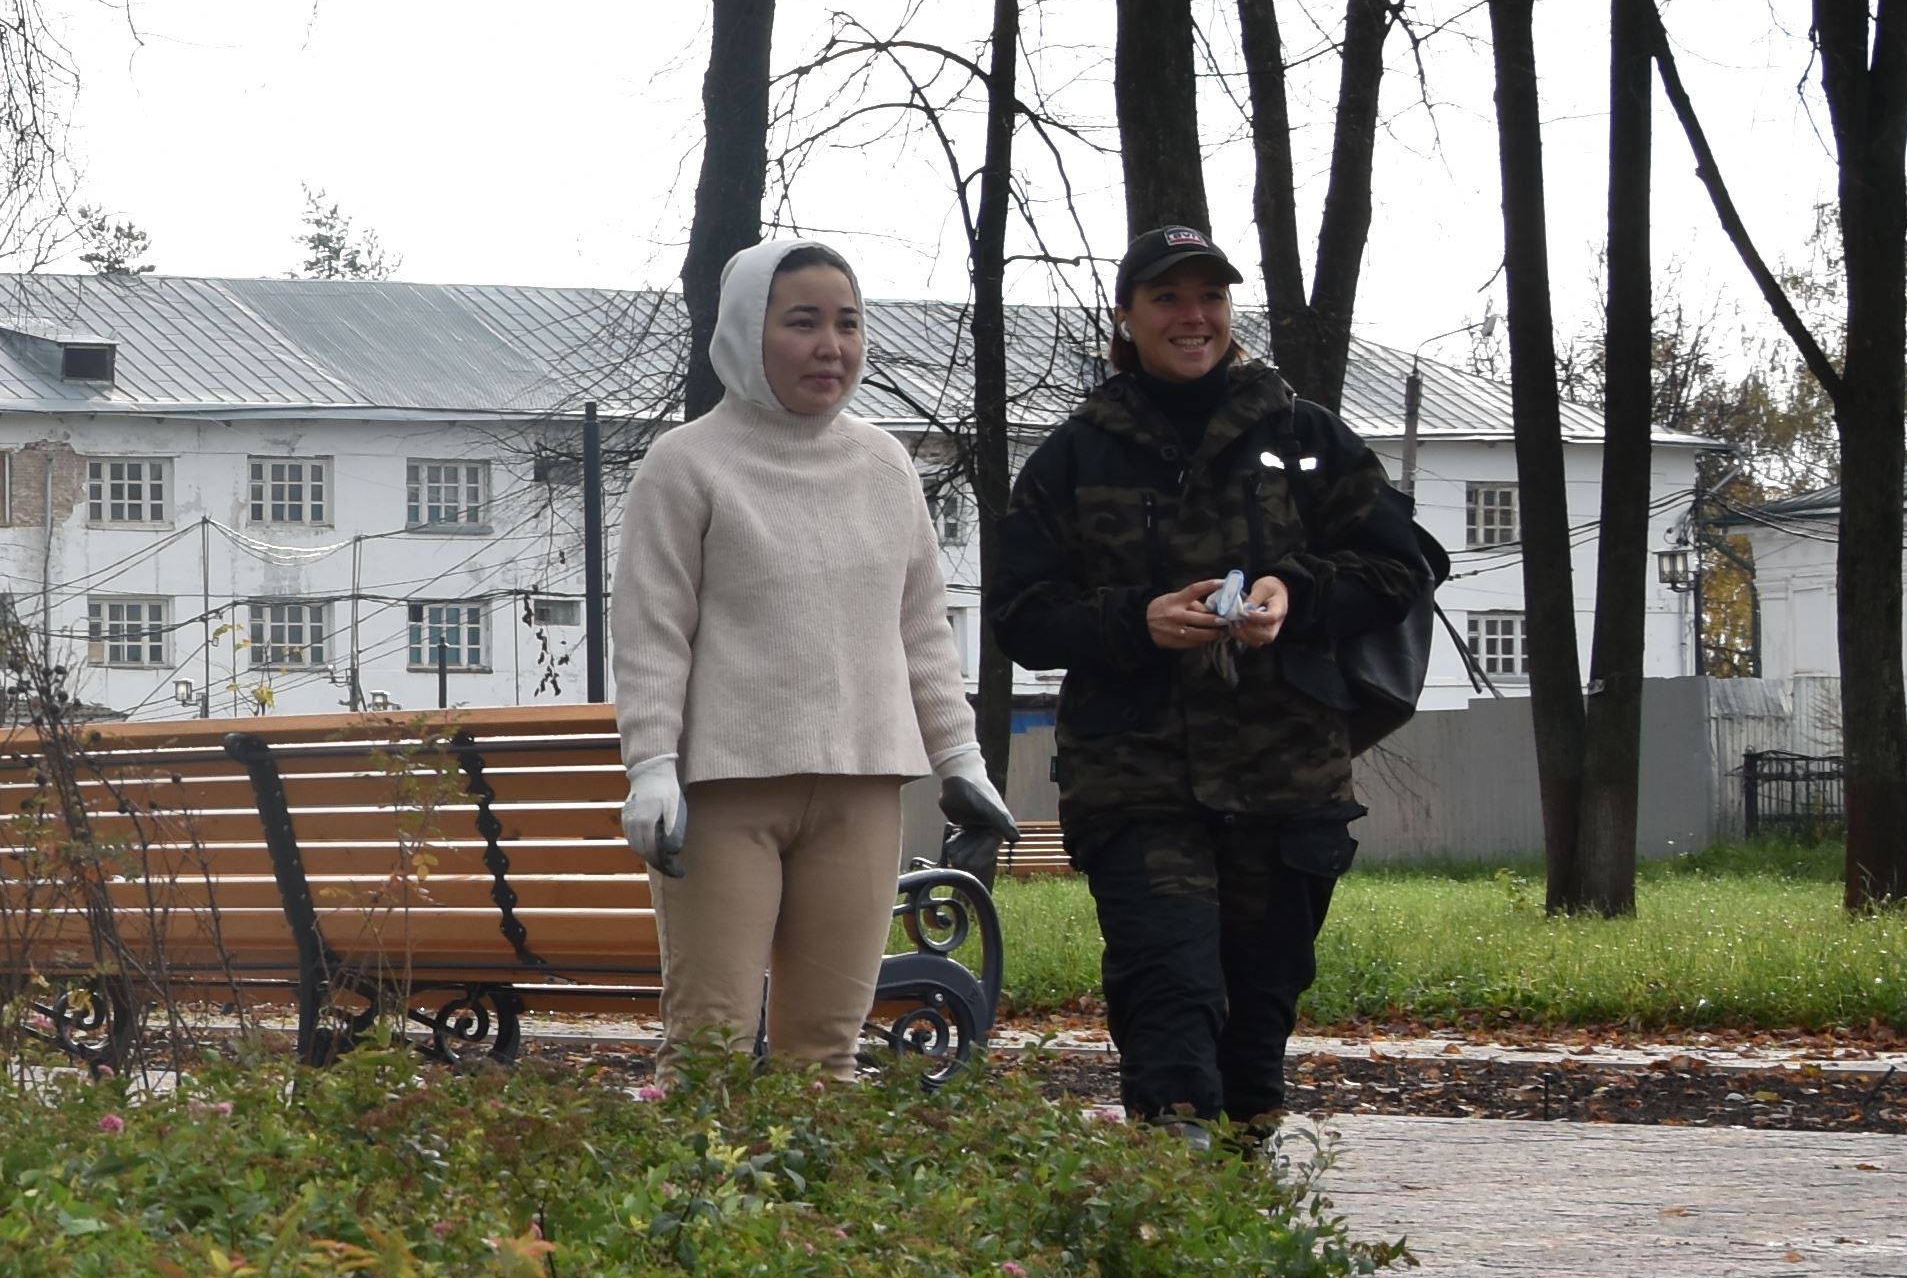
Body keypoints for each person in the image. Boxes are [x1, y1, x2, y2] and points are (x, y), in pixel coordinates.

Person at [991, 222, 1443, 1126]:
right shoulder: (1076, 455)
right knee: (1169, 996)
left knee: (1258, 1020)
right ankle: (1173, 1208)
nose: (1193, 317)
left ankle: (1238, 1228)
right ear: (1128, 317)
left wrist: (1293, 591)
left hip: (1286, 782)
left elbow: (1403, 566)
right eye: (1167, 298)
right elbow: (1019, 614)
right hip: (1136, 779)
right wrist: (1135, 619)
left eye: (1211, 297)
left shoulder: (1304, 438)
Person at [612, 231, 1015, 1059]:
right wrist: (651, 766)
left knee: (827, 1049)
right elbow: (653, 631)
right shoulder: (685, 465)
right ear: (744, 329)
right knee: (710, 1042)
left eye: (848, 322)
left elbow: (921, 628)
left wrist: (961, 762)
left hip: (860, 789)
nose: (831, 346)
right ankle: (698, 1193)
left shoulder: (885, 465)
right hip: (727, 792)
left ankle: (812, 1194)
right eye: (802, 322)